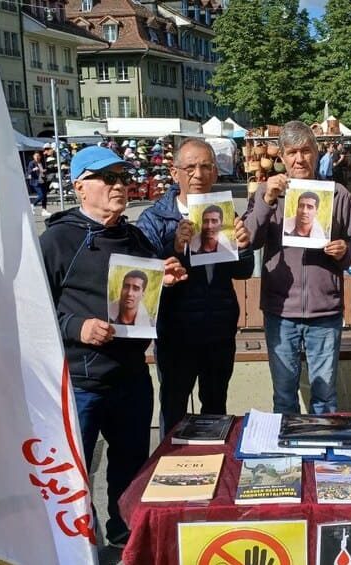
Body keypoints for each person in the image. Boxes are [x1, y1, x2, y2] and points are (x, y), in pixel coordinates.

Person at [39, 145, 187, 548]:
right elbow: (28, 312)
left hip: (130, 377)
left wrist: (166, 280)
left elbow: (146, 305)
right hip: (79, 382)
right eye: (108, 178)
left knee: (131, 467)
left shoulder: (136, 238)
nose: (119, 186)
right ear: (80, 187)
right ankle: (76, 544)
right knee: (73, 473)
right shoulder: (56, 241)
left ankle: (124, 539)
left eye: (123, 177)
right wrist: (76, 326)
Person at [135, 138, 254, 436]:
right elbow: (146, 277)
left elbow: (243, 271)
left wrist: (244, 247)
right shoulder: (154, 218)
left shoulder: (226, 213)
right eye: (190, 167)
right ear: (175, 173)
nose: (198, 174)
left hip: (218, 328)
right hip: (176, 333)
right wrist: (173, 247)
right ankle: (169, 469)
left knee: (215, 408)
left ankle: (213, 469)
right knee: (174, 408)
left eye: (206, 167)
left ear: (215, 173)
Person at [243, 120, 351, 414]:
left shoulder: (337, 194)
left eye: (306, 151)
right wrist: (267, 200)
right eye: (292, 152)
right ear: (282, 157)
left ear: (316, 152)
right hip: (280, 311)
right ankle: (289, 459)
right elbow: (250, 240)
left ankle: (324, 459)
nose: (299, 159)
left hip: (325, 311)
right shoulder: (266, 193)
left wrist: (344, 250)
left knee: (324, 398)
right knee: (284, 397)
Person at [25, 151, 49, 218]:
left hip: (42, 180)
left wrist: (44, 171)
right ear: (33, 157)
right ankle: (32, 204)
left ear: (40, 157)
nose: (37, 157)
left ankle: (44, 210)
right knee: (41, 195)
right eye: (36, 156)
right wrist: (33, 169)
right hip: (35, 181)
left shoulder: (42, 163)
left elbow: (44, 170)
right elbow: (28, 172)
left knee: (45, 196)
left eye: (38, 156)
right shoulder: (31, 163)